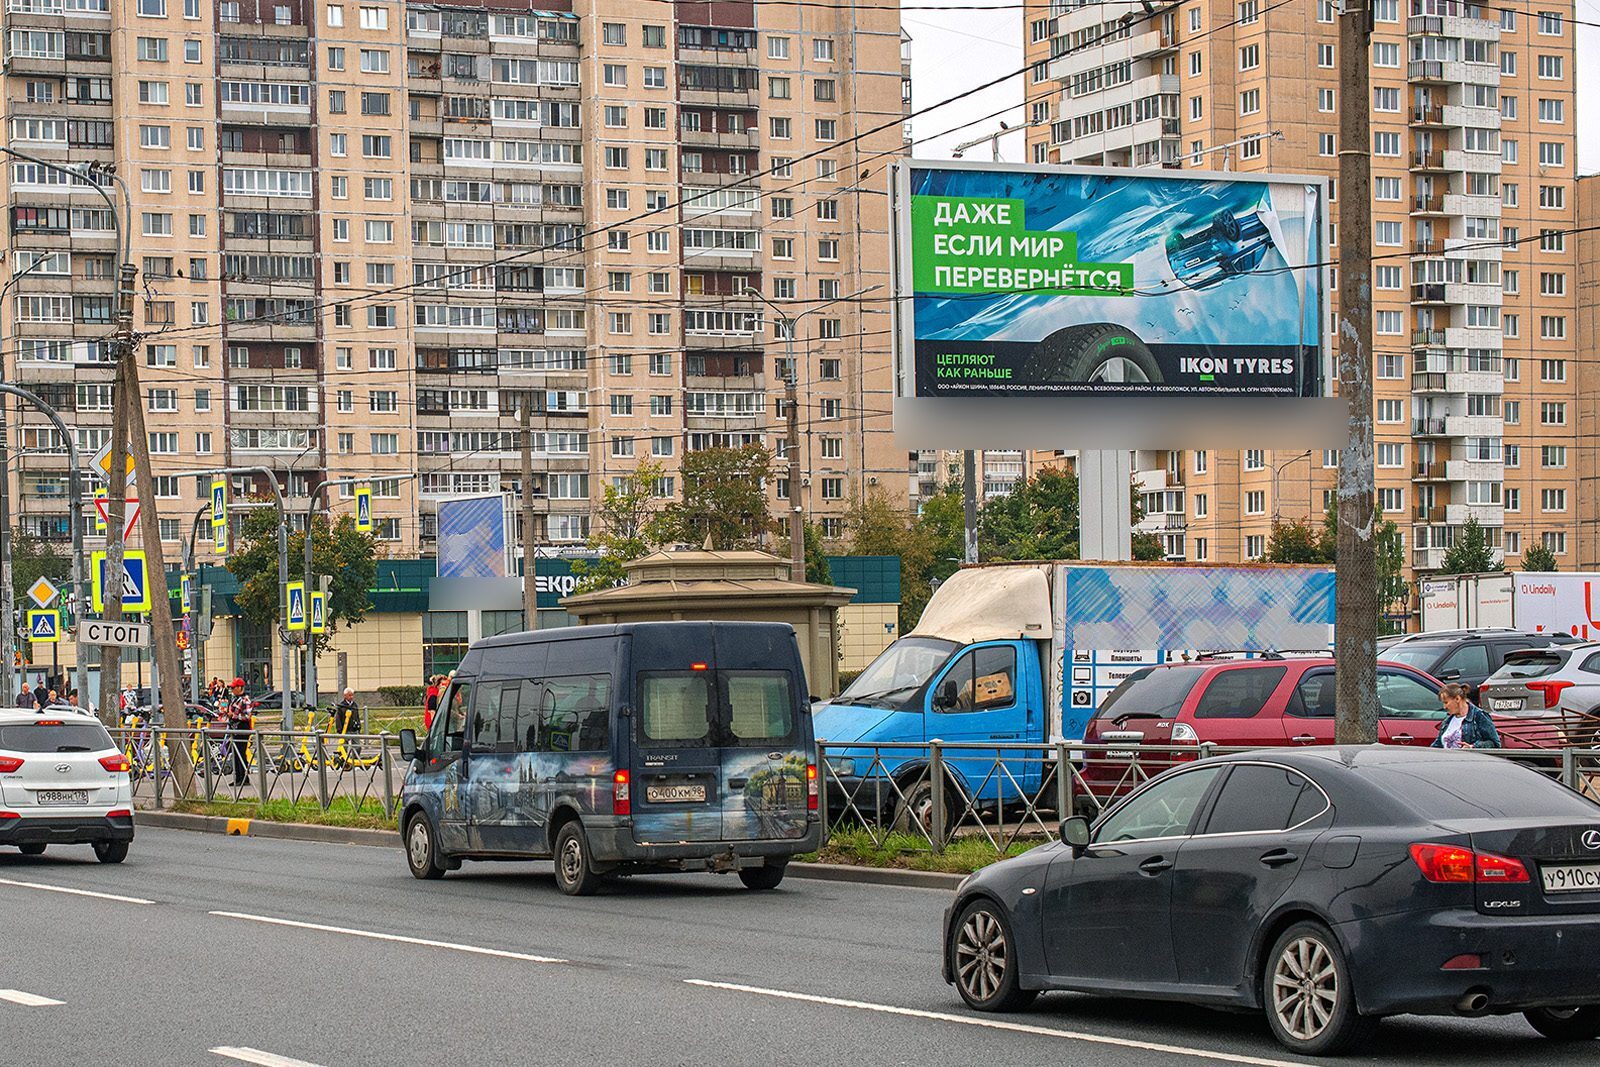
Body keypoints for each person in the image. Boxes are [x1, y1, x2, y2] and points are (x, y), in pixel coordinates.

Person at [1432, 682, 1500, 749]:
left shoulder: (1479, 716)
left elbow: (1494, 743)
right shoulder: (1447, 720)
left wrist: (1473, 747)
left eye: (1446, 702)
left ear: (1457, 699)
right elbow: (1437, 745)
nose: (1444, 707)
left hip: (1469, 759)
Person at [225, 677, 255, 786]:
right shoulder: (235, 699)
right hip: (235, 729)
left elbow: (247, 716)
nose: (232, 689)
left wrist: (233, 715)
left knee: (241, 753)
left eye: (234, 687)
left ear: (240, 687)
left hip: (242, 729)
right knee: (236, 754)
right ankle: (238, 777)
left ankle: (243, 778)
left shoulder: (245, 700)